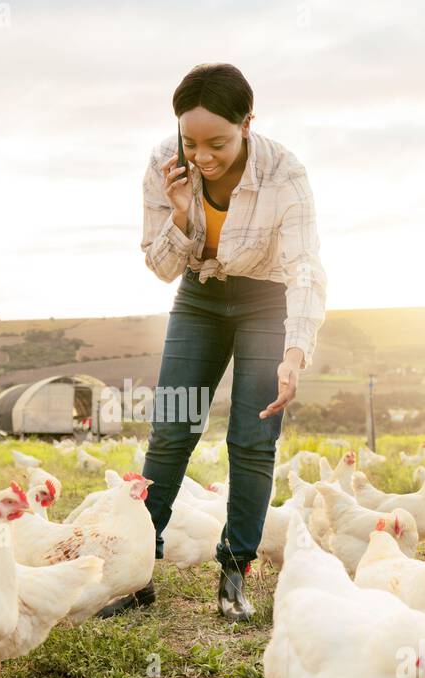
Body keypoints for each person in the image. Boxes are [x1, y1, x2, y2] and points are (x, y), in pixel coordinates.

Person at [100, 63, 327, 621]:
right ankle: (136, 574)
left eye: (217, 143)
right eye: (191, 141)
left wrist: (293, 354)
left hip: (267, 298)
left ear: (248, 123)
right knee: (172, 427)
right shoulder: (163, 163)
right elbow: (159, 266)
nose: (201, 156)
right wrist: (179, 214)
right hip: (199, 296)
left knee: (253, 437)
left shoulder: (285, 173)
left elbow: (303, 268)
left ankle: (233, 574)